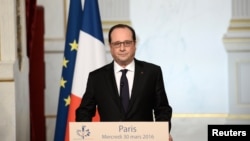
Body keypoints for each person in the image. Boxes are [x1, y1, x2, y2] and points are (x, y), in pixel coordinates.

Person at [75, 24, 173, 141]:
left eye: (127, 43)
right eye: (117, 44)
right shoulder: (97, 77)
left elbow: (162, 109)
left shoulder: (152, 72)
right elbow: (84, 111)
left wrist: (162, 132)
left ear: (134, 44)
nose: (122, 48)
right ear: (110, 46)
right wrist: (85, 135)